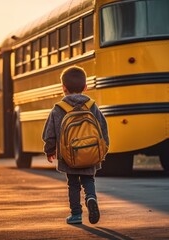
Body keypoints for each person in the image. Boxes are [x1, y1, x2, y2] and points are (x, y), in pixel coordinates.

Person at [42, 66, 110, 224]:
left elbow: (49, 134)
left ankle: (76, 214)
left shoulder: (59, 109)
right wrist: (102, 150)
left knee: (73, 184)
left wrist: (49, 150)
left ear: (63, 88)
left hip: (68, 156)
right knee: (89, 180)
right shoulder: (91, 105)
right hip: (91, 153)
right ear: (85, 87)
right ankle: (91, 198)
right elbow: (103, 128)